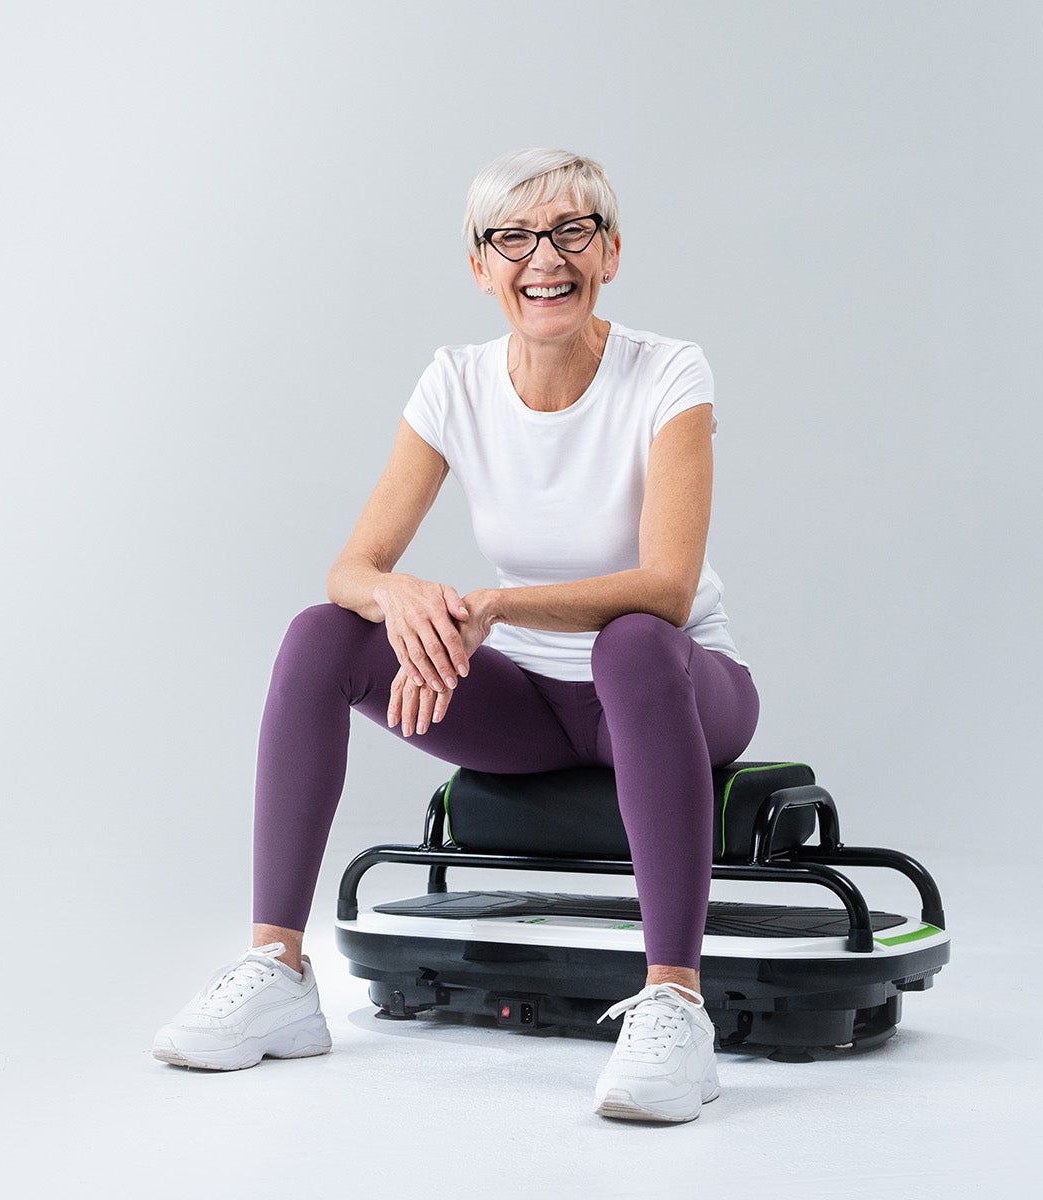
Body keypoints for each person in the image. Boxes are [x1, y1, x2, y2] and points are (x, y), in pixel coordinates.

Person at [150, 149, 761, 1124]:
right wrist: (408, 603)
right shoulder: (456, 383)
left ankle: (675, 1006)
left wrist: (494, 607)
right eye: (511, 237)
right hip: (530, 707)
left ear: (608, 253)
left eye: (569, 232)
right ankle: (278, 970)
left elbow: (669, 588)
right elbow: (352, 568)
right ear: (481, 266)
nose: (542, 258)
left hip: (673, 687)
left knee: (634, 640)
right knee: (322, 634)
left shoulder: (667, 371)